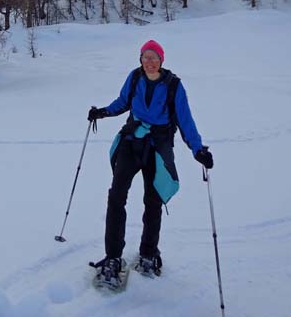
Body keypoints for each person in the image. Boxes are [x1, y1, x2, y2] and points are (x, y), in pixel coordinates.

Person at [88, 39, 213, 288]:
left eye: (154, 57)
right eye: (145, 57)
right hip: (131, 142)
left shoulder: (174, 86)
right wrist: (102, 112)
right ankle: (113, 257)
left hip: (158, 146)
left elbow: (185, 120)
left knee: (153, 201)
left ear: (162, 60)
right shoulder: (135, 78)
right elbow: (123, 102)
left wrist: (198, 149)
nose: (149, 62)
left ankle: (148, 253)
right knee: (116, 196)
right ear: (140, 60)